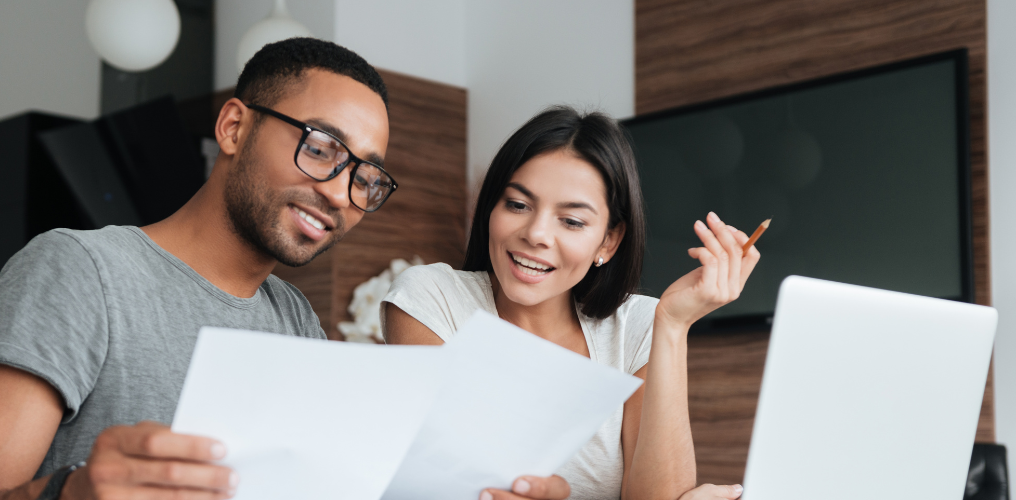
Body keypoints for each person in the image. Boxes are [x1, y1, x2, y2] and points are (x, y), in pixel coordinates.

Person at [0, 39, 565, 500]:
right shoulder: (78, 270)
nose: (343, 195)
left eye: (366, 179)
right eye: (321, 148)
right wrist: (69, 493)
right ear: (233, 128)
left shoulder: (293, 316)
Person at [383, 107, 760, 500]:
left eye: (572, 221)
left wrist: (674, 325)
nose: (537, 234)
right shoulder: (432, 298)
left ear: (609, 242)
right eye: (517, 205)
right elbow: (442, 491)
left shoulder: (638, 326)